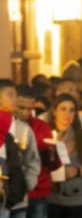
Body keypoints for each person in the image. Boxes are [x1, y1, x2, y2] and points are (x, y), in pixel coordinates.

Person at [47, 94, 82, 218]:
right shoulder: (45, 135)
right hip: (52, 198)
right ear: (54, 111)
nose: (67, 114)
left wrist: (77, 171)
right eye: (63, 109)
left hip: (78, 199)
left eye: (71, 110)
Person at [0, 79, 40, 218]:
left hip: (17, 197)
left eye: (16, 95)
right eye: (10, 95)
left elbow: (32, 160)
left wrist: (24, 185)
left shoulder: (23, 129)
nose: (15, 99)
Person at [15, 84, 54, 218]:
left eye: (30, 109)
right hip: (14, 191)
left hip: (38, 191)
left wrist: (52, 153)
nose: (25, 113)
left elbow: (50, 163)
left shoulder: (41, 127)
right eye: (21, 108)